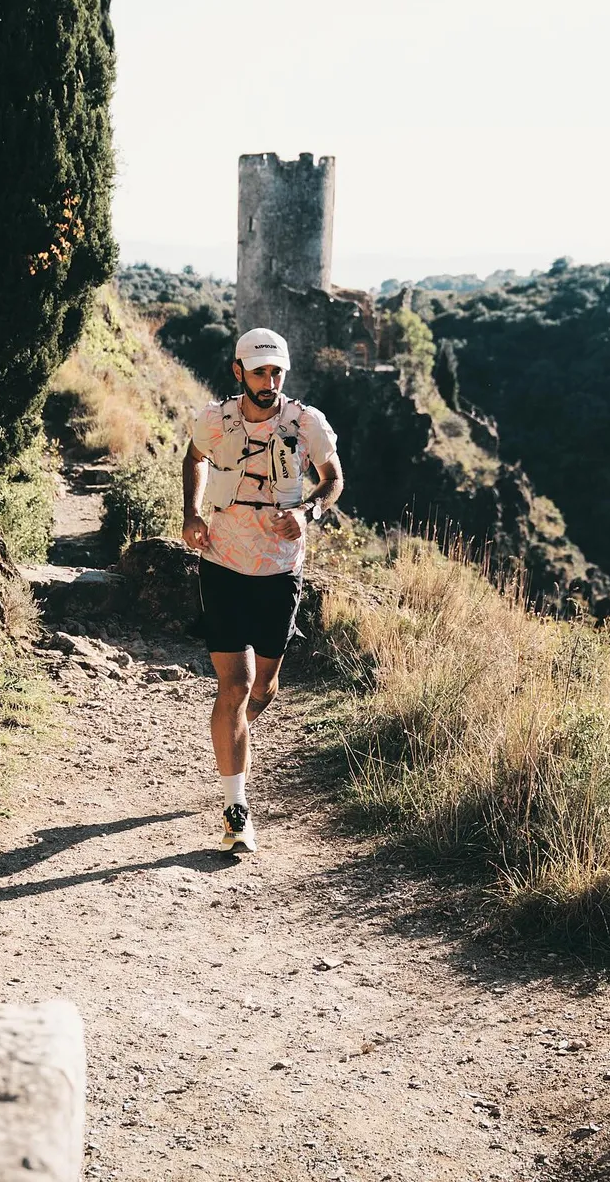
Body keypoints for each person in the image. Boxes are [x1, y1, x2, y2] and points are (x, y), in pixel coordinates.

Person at [182, 327, 343, 855]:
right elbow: (194, 457)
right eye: (259, 372)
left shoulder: (306, 422)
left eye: (277, 372)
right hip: (223, 564)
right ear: (239, 371)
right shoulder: (216, 419)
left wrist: (308, 511)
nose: (269, 382)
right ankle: (236, 811)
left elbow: (333, 477)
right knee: (235, 685)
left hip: (279, 569)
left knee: (265, 688)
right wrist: (191, 514)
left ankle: (233, 736)